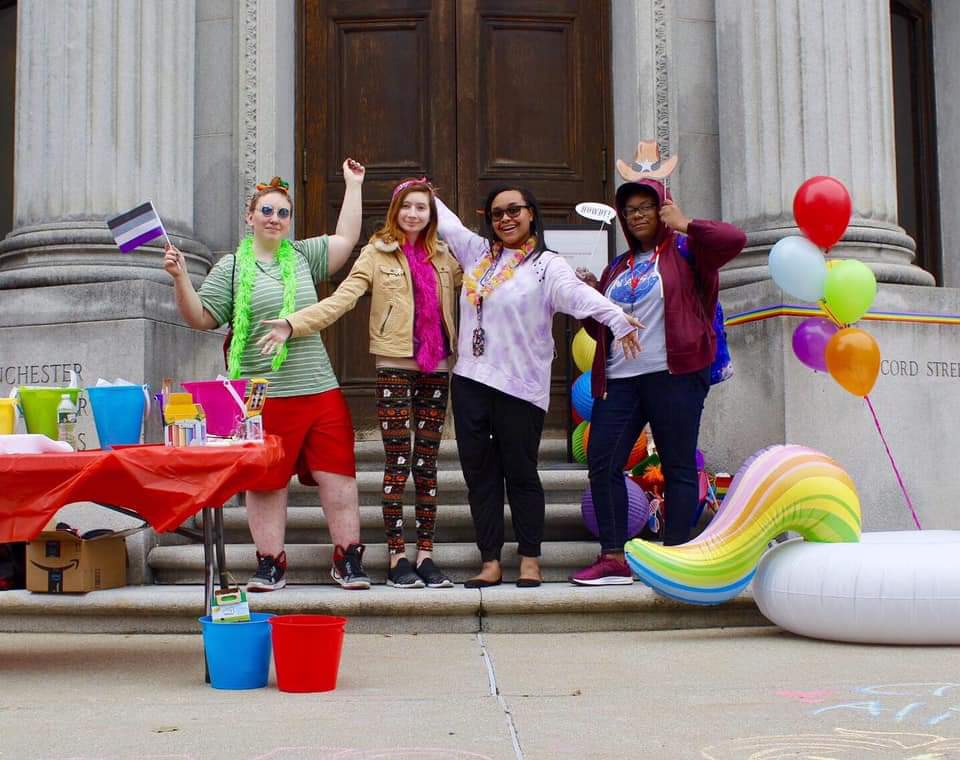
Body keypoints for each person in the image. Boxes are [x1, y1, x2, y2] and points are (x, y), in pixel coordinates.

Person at [163, 161, 371, 592]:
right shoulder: (231, 269)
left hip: (318, 389)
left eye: (283, 213)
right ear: (250, 216)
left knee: (339, 478)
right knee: (266, 484)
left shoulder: (303, 255)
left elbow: (347, 238)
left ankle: (347, 558)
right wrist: (181, 278)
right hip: (262, 396)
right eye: (267, 211)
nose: (275, 219)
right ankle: (270, 563)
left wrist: (353, 184)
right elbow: (201, 317)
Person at [257, 178, 461, 589]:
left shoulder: (446, 258)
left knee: (427, 464)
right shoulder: (375, 253)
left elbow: (481, 290)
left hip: (437, 367)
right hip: (394, 367)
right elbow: (340, 300)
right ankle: (396, 556)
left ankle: (426, 555)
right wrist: (293, 324)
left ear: (432, 213)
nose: (414, 214)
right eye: (407, 206)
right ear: (394, 210)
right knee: (398, 462)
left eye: (422, 207)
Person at [435, 187, 643, 588]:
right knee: (480, 475)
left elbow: (578, 296)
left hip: (521, 388)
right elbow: (447, 223)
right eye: (496, 213)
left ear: (532, 214)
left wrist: (617, 318)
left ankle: (530, 558)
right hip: (471, 382)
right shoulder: (478, 254)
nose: (505, 219)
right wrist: (420, 190)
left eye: (514, 210)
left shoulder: (547, 266)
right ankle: (490, 560)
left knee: (521, 473)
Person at [569, 177, 746, 586]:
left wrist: (685, 223)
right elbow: (601, 330)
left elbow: (733, 239)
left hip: (675, 375)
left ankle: (676, 559)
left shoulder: (688, 252)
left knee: (678, 465)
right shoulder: (617, 267)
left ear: (663, 209)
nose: (637, 216)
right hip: (620, 380)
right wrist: (588, 297)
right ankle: (614, 558)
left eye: (646, 207)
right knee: (602, 460)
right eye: (629, 211)